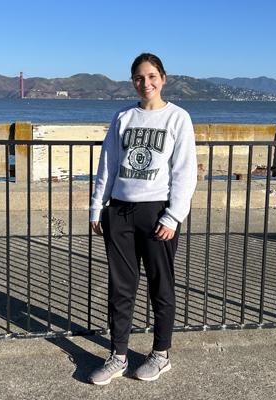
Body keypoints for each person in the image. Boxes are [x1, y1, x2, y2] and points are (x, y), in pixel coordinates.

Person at [88, 53, 197, 385]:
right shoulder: (123, 117)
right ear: (132, 81)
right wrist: (97, 207)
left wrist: (173, 216)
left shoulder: (178, 118)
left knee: (160, 284)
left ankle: (161, 353)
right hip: (119, 211)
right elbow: (107, 164)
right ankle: (118, 355)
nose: (145, 83)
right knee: (120, 287)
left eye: (151, 76)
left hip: (157, 213)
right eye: (139, 77)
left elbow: (185, 173)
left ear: (163, 78)